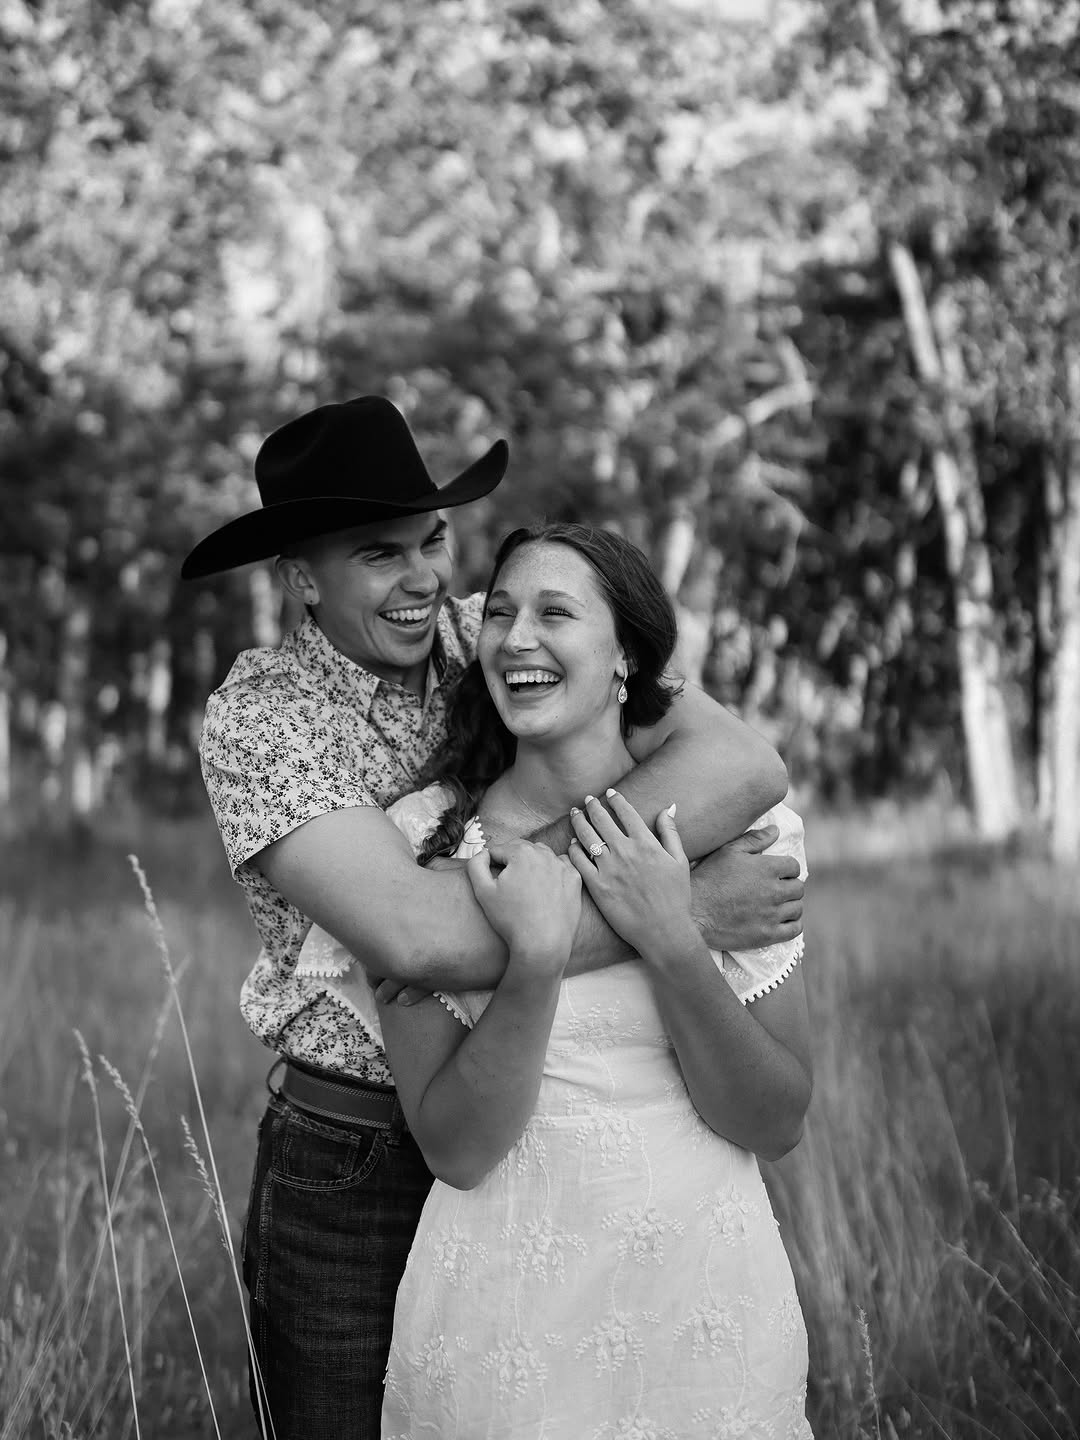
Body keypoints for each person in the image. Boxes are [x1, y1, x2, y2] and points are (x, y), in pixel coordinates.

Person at [182, 396, 805, 1440]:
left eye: (432, 540)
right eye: (379, 555)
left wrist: (597, 898)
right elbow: (419, 938)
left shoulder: (496, 628)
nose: (423, 578)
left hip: (542, 1148)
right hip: (358, 1153)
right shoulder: (264, 717)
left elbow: (743, 762)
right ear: (301, 574)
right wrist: (678, 906)